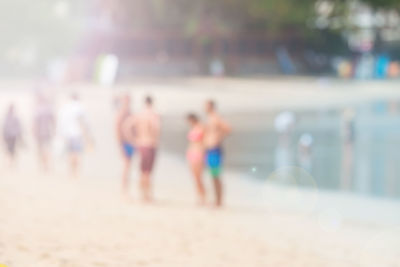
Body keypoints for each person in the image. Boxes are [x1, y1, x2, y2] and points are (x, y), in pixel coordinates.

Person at [125, 96, 160, 202]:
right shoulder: (153, 115)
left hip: (140, 144)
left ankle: (142, 194)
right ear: (152, 102)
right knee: (148, 171)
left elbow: (126, 126)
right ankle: (147, 195)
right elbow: (157, 128)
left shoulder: (139, 114)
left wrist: (132, 139)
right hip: (150, 144)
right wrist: (155, 139)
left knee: (142, 170)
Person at [204, 100, 231, 207]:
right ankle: (217, 200)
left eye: (206, 106)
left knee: (216, 175)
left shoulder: (216, 117)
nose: (204, 108)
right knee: (213, 175)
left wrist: (218, 138)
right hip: (210, 149)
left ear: (211, 107)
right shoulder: (210, 118)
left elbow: (228, 128)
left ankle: (219, 201)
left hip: (215, 149)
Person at [59, 93, 92, 177]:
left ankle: (71, 172)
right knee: (77, 153)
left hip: (68, 134)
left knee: (70, 153)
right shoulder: (80, 108)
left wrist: (62, 134)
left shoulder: (65, 108)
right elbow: (84, 122)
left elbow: (61, 122)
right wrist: (88, 136)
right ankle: (76, 173)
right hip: (78, 134)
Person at [115, 94, 135, 197]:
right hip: (125, 143)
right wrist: (120, 145)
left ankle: (125, 188)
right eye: (126, 100)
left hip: (130, 142)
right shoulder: (122, 112)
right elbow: (117, 129)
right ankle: (124, 189)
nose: (128, 102)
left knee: (128, 166)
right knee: (126, 166)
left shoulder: (128, 111)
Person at [186, 113, 206, 205]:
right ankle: (199, 196)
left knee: (199, 177)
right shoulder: (193, 128)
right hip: (191, 153)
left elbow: (205, 141)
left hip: (199, 152)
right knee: (194, 177)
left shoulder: (202, 127)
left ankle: (203, 196)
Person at [33, 93, 55, 171]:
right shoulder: (49, 109)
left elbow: (35, 123)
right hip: (47, 132)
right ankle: (46, 165)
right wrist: (54, 130)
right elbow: (53, 121)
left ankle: (41, 165)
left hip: (39, 133)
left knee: (40, 150)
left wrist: (33, 132)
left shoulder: (37, 109)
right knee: (47, 149)